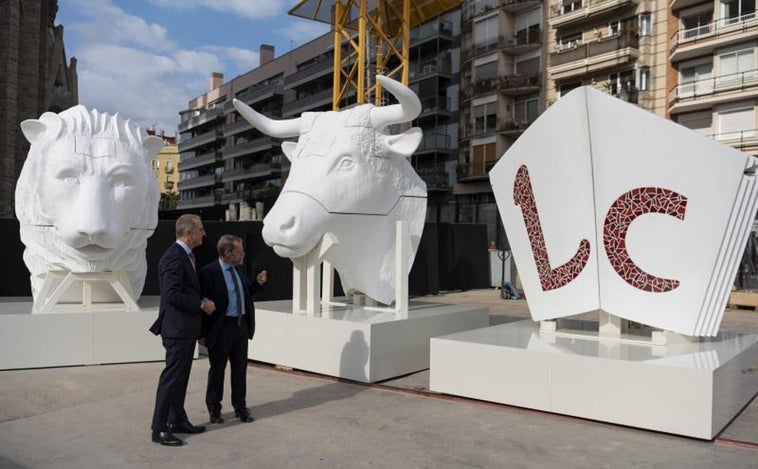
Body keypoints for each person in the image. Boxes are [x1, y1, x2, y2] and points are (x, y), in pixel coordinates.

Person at [149, 214, 216, 446]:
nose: (204, 234)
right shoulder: (174, 258)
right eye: (201, 229)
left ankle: (177, 419)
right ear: (189, 233)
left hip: (185, 329)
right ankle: (159, 429)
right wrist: (200, 303)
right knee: (171, 379)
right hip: (176, 329)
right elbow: (172, 294)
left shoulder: (185, 255)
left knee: (180, 378)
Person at [199, 234, 267, 424]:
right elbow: (203, 304)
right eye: (240, 251)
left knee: (240, 369)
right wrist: (202, 333)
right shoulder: (208, 272)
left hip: (241, 326)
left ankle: (240, 407)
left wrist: (258, 284)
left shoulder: (239, 270)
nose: (243, 254)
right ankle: (214, 409)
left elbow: (246, 293)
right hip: (221, 328)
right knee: (217, 369)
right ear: (227, 253)